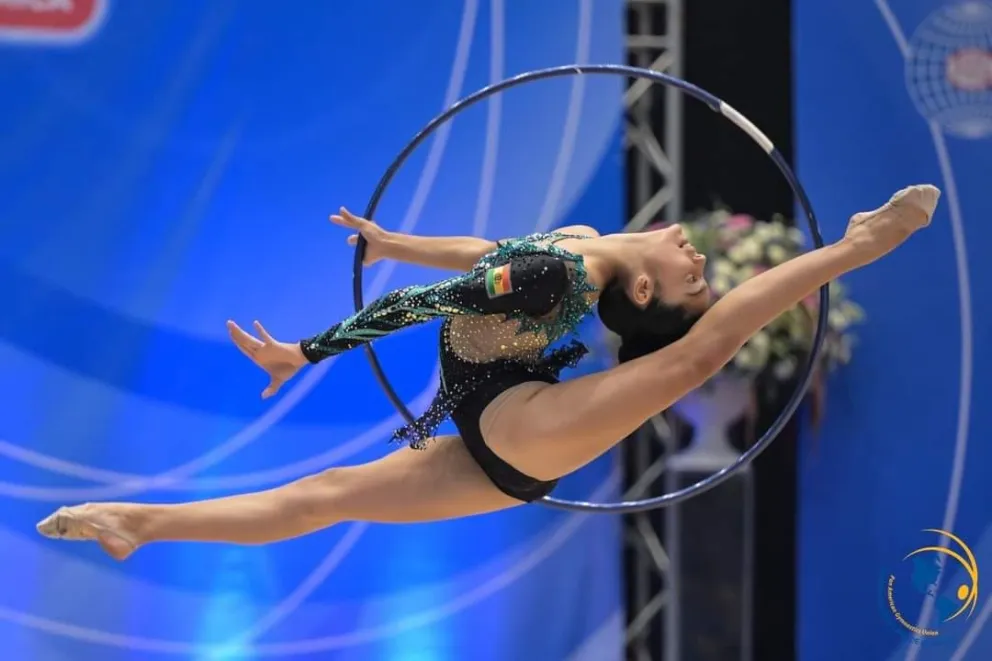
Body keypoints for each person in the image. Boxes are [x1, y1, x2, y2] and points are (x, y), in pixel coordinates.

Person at [37, 185, 940, 561]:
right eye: (701, 269)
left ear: (639, 286)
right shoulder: (575, 250)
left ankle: (852, 248)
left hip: (518, 426)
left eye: (692, 276)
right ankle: (137, 522)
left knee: (696, 360)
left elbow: (429, 306)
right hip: (486, 394)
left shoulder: (567, 275)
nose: (698, 258)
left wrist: (303, 351)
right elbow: (480, 259)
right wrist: (396, 243)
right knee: (330, 491)